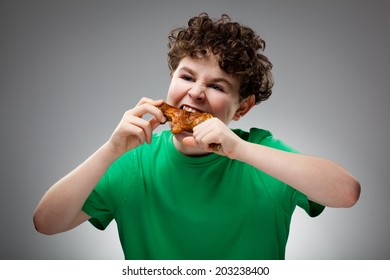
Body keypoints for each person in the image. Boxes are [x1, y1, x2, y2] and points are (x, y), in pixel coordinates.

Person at [33, 13, 360, 260]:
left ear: (242, 108)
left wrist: (239, 150)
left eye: (217, 86)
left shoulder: (261, 154)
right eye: (186, 76)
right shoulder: (135, 161)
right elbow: (46, 223)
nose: (196, 92)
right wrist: (109, 150)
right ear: (171, 80)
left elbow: (347, 193)